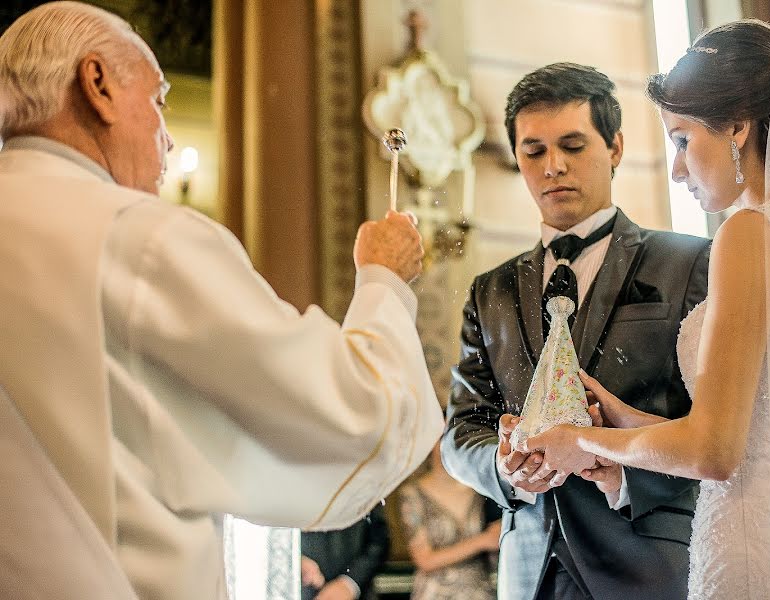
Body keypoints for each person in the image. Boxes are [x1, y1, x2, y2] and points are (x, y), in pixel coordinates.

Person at [0, 2, 443, 599]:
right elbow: (353, 419)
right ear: (97, 84)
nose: (167, 134)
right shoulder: (142, 239)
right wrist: (384, 282)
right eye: (157, 101)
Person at [519, 20, 770, 600]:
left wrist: (584, 441)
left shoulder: (751, 233)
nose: (677, 168)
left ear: (738, 130)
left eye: (681, 140)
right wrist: (618, 416)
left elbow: (715, 453)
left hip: (755, 544)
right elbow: (757, 434)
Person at [441, 62, 711, 600]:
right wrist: (503, 467)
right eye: (533, 151)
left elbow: (717, 427)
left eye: (572, 145)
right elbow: (460, 432)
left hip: (648, 561)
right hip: (527, 571)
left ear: (614, 147)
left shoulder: (688, 262)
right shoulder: (488, 290)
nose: (553, 167)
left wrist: (623, 468)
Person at [398, 443, 501, 600]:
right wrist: (482, 541)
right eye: (441, 437)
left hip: (481, 590)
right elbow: (424, 560)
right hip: (435, 593)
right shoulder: (412, 494)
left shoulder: (479, 487)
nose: (448, 443)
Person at [299, 505, 390, 600]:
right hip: (300, 589)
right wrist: (293, 559)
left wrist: (349, 583)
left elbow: (380, 540)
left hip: (356, 591)